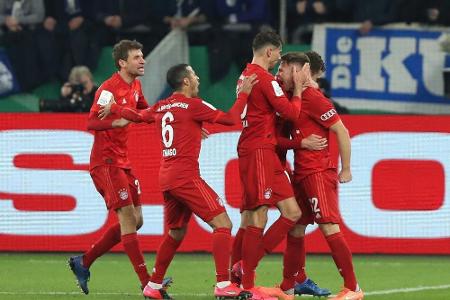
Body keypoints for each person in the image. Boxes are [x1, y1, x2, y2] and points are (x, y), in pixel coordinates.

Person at [100, 63, 258, 299]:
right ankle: (223, 284)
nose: (197, 80)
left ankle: (153, 286)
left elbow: (139, 116)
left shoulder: (162, 106)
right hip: (185, 176)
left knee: (176, 232)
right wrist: (244, 92)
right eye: (194, 75)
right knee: (223, 223)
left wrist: (114, 107)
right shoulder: (194, 105)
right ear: (185, 81)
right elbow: (231, 118)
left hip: (167, 177)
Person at [68, 40, 155, 296]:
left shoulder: (136, 85)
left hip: (123, 162)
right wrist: (116, 122)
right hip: (105, 163)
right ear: (122, 62)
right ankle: (147, 282)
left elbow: (145, 112)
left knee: (137, 221)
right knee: (128, 219)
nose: (142, 61)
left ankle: (83, 261)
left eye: (142, 56)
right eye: (137, 57)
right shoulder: (108, 89)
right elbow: (92, 122)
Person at [276, 51, 364, 300]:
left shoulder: (314, 98)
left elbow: (342, 131)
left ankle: (353, 288)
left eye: (289, 68)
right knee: (296, 228)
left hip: (317, 172)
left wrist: (345, 168)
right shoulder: (293, 97)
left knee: (329, 226)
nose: (284, 72)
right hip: (302, 172)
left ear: (303, 70)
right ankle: (287, 287)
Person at [230, 31, 309, 300]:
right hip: (259, 150)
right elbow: (292, 113)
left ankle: (244, 269)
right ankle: (248, 284)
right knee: (257, 216)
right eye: (278, 53)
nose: (278, 59)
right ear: (268, 52)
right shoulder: (263, 78)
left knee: (292, 212)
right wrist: (297, 89)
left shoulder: (245, 75)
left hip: (263, 151)